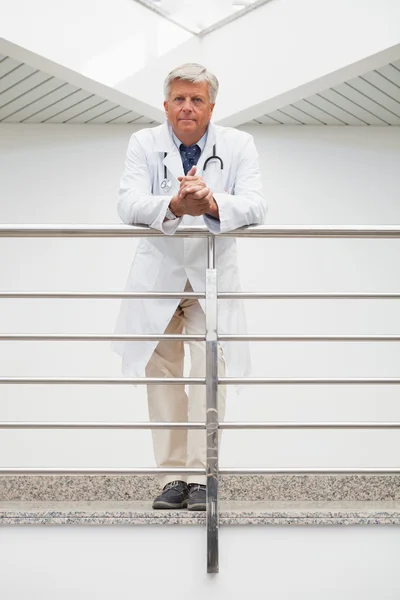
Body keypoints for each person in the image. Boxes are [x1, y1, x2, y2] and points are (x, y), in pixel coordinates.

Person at [112, 63, 266, 511]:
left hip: (209, 277)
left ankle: (202, 478)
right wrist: (175, 204)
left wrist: (213, 201)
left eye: (196, 100)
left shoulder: (238, 145)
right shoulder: (143, 142)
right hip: (159, 276)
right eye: (179, 98)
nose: (187, 107)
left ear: (211, 107)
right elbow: (128, 202)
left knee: (207, 377)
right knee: (160, 380)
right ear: (165, 105)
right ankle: (172, 476)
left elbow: (257, 204)